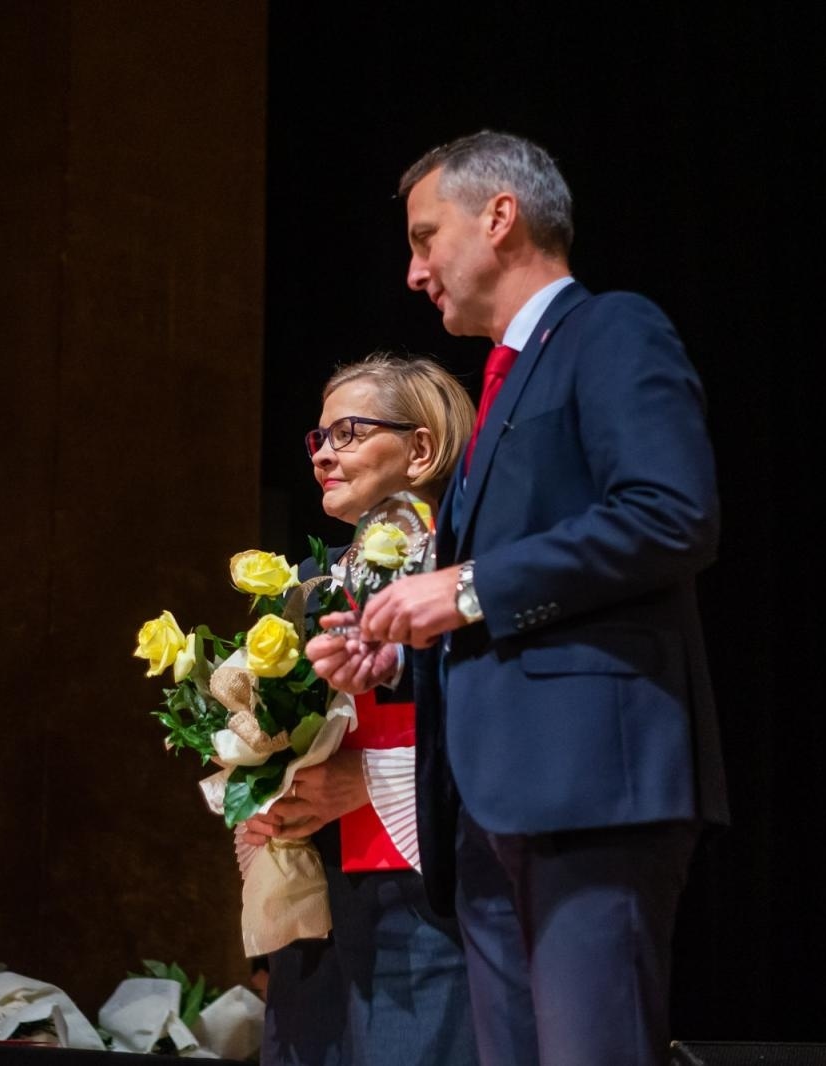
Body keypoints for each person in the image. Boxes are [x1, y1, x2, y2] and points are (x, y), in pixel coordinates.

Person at [305, 131, 730, 1066]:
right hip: (488, 811)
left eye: (426, 239)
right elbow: (487, 600)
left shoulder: (612, 330)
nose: (416, 273)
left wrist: (463, 588)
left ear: (500, 218)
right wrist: (398, 643)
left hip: (585, 791)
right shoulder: (498, 384)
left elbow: (671, 515)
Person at [245, 354, 479, 1066]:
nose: (324, 456)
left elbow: (510, 738)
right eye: (318, 439)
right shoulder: (308, 585)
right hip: (318, 907)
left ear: (421, 448)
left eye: (347, 432)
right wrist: (261, 791)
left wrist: (371, 781)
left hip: (426, 906)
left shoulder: (464, 575)